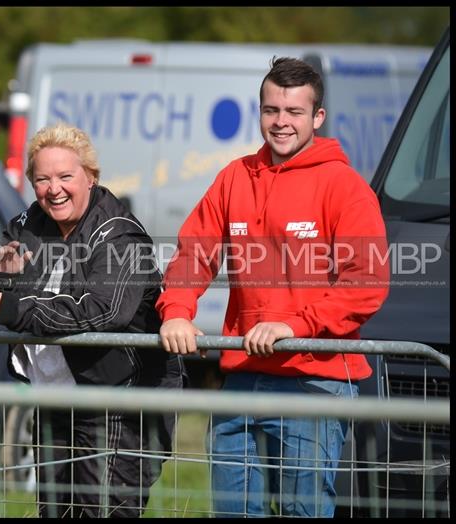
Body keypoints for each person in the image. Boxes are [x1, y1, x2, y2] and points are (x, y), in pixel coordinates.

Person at [156, 57, 389, 517]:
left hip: (315, 381)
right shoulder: (235, 177)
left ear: (317, 117)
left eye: (294, 112)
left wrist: (294, 325)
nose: (281, 122)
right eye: (271, 110)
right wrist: (177, 310)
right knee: (234, 512)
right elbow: (194, 253)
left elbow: (367, 283)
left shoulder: (346, 188)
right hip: (242, 375)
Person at [0, 123, 185, 518]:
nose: (54, 189)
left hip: (118, 401)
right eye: (42, 179)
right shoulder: (29, 223)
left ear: (91, 177)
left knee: (104, 512)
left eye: (66, 176)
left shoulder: (121, 237)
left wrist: (22, 308)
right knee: (54, 511)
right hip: (54, 396)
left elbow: (106, 311)